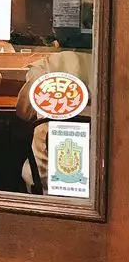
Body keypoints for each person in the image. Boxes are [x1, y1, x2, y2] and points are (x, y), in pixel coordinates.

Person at [16, 49, 93, 193]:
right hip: (99, 180)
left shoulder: (44, 67)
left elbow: (24, 112)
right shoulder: (115, 65)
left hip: (43, 178)